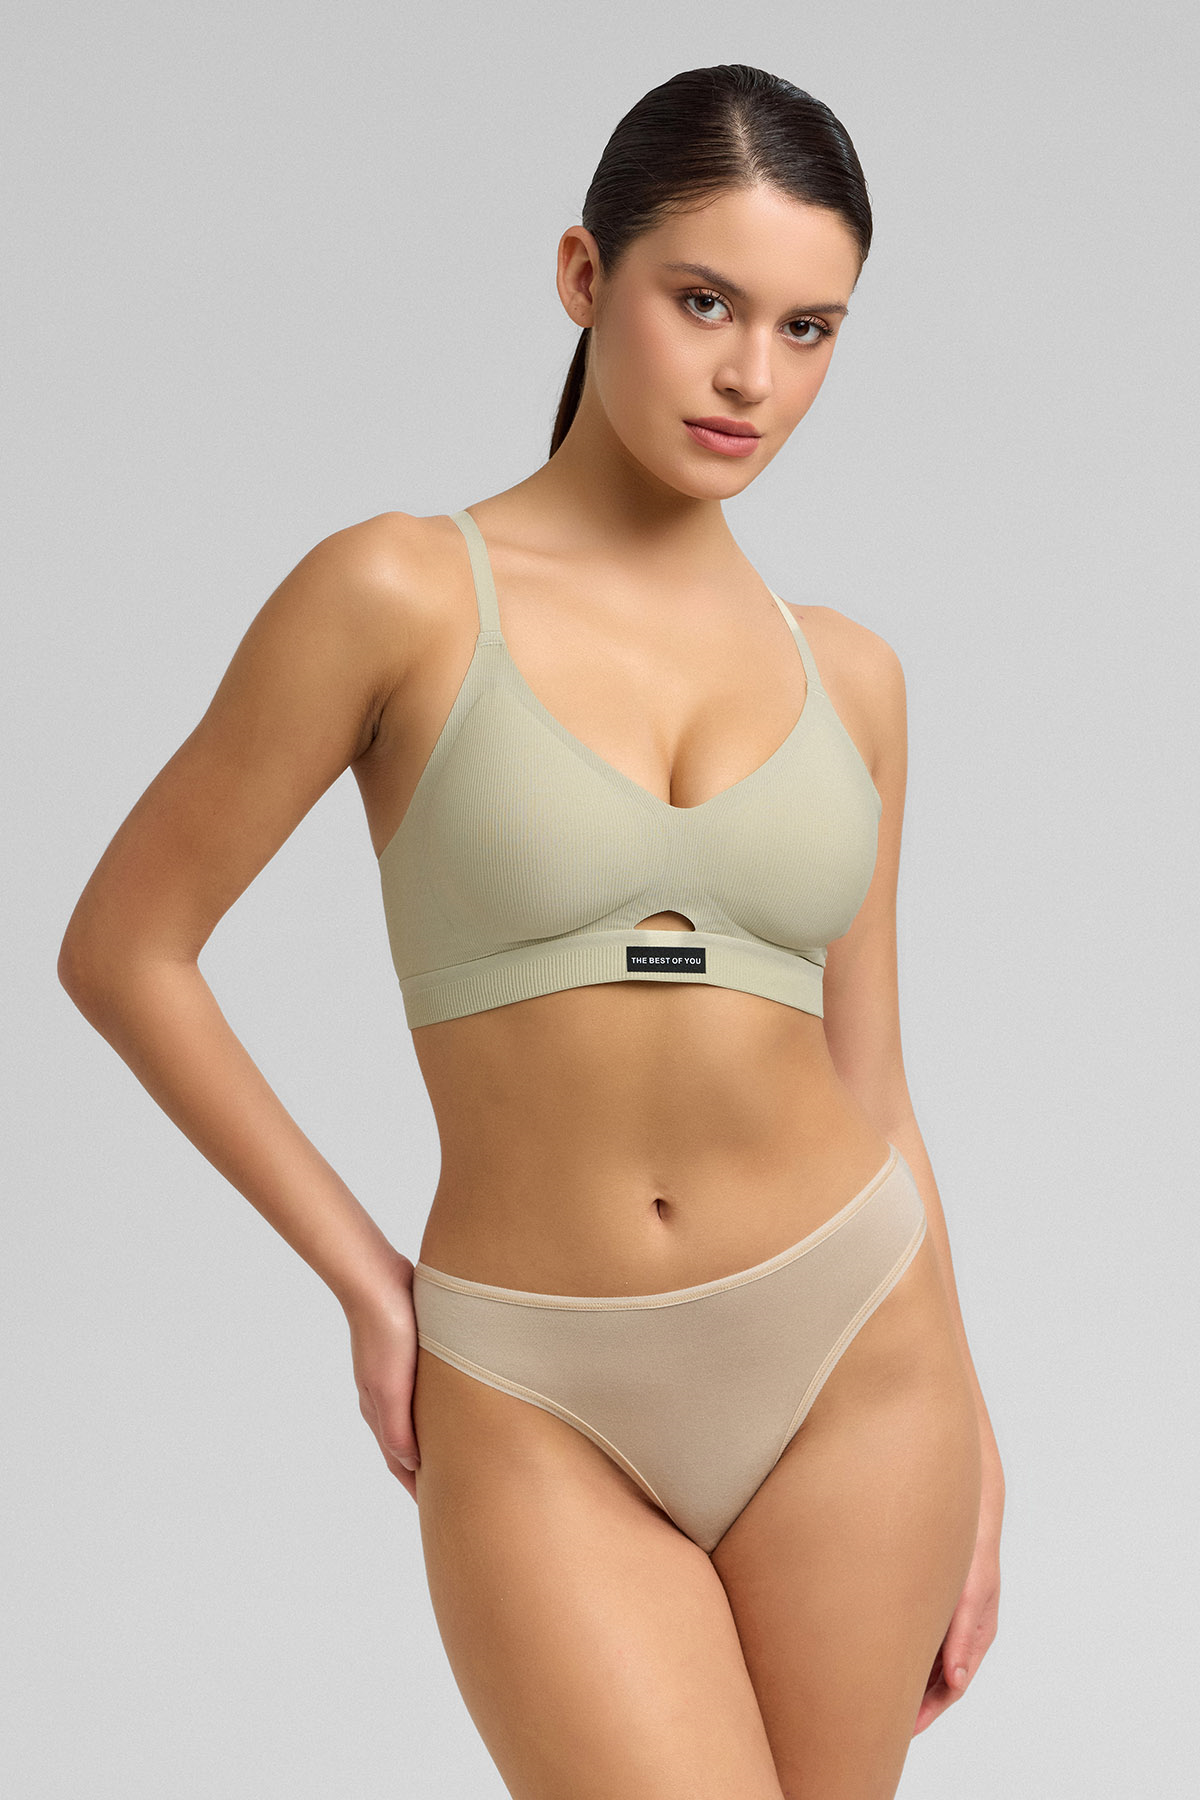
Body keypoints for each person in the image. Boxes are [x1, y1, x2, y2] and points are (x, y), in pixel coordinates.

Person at [58, 61, 1003, 1800]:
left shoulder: (851, 677)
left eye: (808, 329)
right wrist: (370, 1284)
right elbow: (124, 949)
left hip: (861, 1364)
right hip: (541, 1383)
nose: (751, 375)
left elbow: (877, 1084)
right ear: (584, 274)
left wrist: (981, 1450)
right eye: (703, 301)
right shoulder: (399, 593)